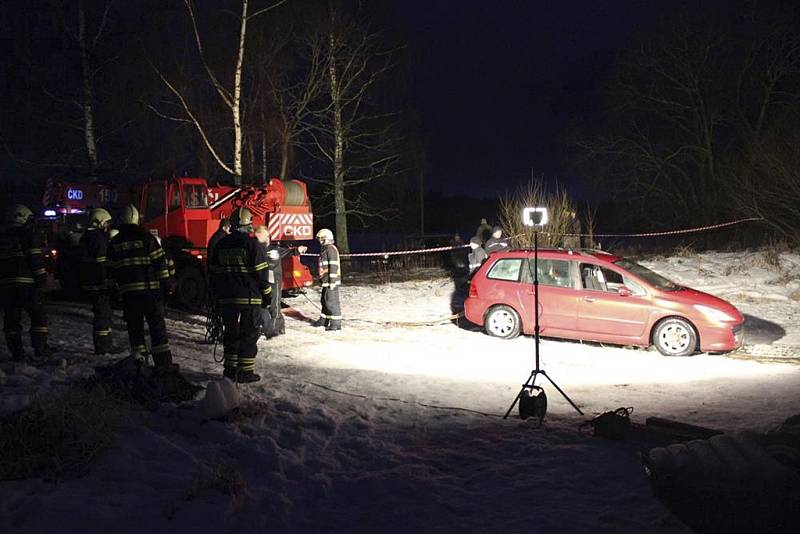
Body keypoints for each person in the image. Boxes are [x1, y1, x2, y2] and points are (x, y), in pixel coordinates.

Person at [107, 204, 175, 370]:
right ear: (136, 219)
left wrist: (113, 292)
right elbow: (161, 264)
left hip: (130, 296)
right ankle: (164, 365)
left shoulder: (114, 243)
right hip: (151, 293)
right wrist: (167, 286)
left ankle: (140, 366)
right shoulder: (147, 238)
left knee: (135, 330)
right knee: (157, 329)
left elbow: (109, 272)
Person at [209, 207, 271, 383]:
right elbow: (261, 274)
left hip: (227, 298)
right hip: (249, 298)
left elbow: (214, 272)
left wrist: (216, 295)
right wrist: (267, 296)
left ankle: (230, 370)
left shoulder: (221, 244)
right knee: (249, 334)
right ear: (250, 223)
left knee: (230, 333)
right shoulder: (253, 245)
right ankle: (245, 372)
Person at [0, 204, 49, 361]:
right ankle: (40, 349)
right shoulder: (28, 234)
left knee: (12, 320)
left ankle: (17, 352)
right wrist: (41, 275)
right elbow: (34, 256)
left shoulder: (3, 237)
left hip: (7, 285)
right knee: (38, 316)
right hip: (27, 283)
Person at [79, 207, 120, 355]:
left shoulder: (86, 237)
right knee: (103, 315)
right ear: (99, 222)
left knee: (103, 313)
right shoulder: (99, 238)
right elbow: (103, 262)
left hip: (90, 282)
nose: (107, 226)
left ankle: (105, 345)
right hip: (99, 283)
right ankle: (103, 347)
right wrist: (109, 280)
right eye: (106, 223)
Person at [253, 226, 307, 338]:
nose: (258, 239)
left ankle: (276, 329)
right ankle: (270, 326)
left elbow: (288, 252)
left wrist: (298, 250)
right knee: (262, 305)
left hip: (274, 282)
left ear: (267, 237)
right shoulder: (256, 249)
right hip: (262, 281)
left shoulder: (274, 250)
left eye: (261, 236)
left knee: (274, 305)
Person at [312, 228, 342, 331]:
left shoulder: (331, 249)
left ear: (326, 238)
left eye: (321, 239)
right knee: (324, 300)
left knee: (331, 301)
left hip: (331, 281)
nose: (320, 241)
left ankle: (336, 324)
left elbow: (333, 266)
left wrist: (332, 282)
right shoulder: (325, 249)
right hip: (326, 281)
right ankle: (323, 320)